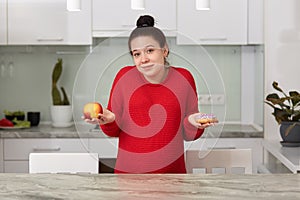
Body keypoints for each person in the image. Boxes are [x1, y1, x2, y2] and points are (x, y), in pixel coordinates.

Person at [85, 15, 216, 173]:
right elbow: (113, 131)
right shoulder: (124, 77)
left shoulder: (184, 78)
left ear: (165, 50)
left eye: (150, 50)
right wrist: (109, 120)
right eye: (137, 54)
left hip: (172, 180)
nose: (143, 59)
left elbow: (189, 135)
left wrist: (192, 122)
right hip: (128, 182)